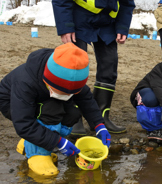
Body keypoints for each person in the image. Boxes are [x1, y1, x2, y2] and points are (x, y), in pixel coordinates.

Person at [0, 43, 111, 176]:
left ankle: (31, 142)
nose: (67, 96)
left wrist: (99, 124)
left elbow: (86, 99)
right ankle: (38, 154)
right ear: (48, 81)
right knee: (51, 113)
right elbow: (23, 123)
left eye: (71, 93)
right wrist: (57, 141)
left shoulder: (71, 73)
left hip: (43, 100)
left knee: (72, 113)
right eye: (63, 92)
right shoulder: (25, 83)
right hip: (11, 104)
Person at [52, 0, 136, 135]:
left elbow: (127, 3)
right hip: (79, 17)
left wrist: (122, 27)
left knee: (110, 65)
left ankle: (100, 118)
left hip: (108, 22)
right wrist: (66, 26)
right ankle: (74, 118)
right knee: (74, 66)